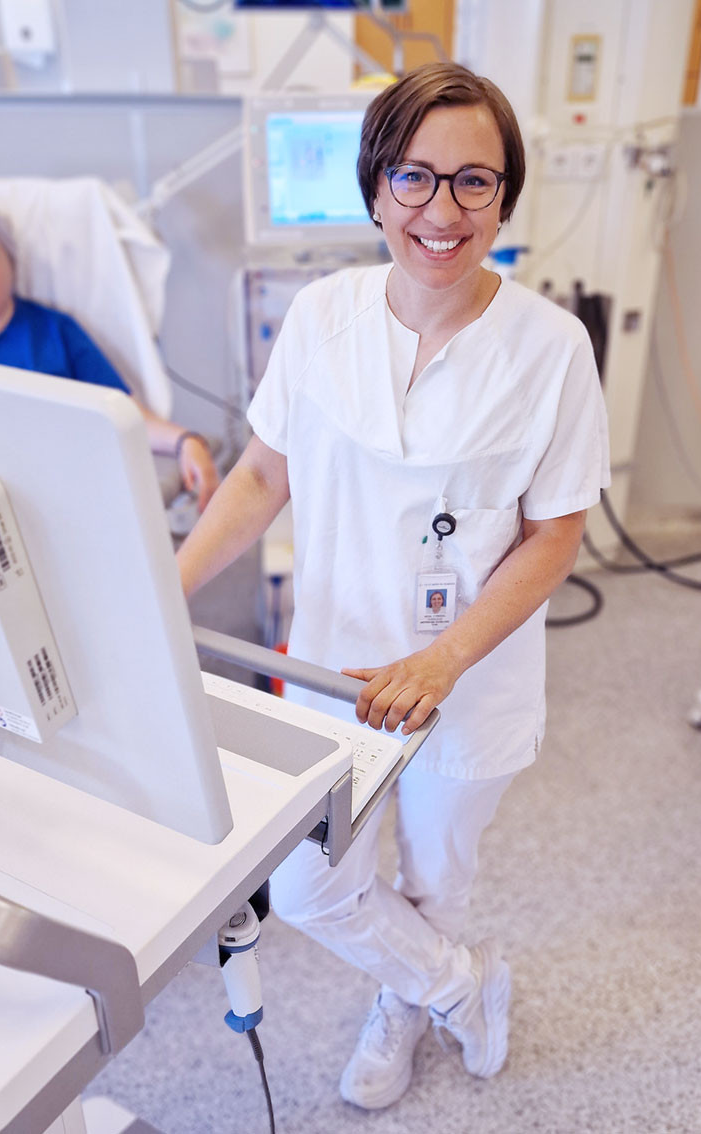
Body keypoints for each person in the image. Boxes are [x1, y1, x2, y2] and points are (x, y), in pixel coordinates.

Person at [177, 62, 610, 1110]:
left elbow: (556, 536)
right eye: (415, 178)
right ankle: (454, 984)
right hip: (333, 665)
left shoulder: (551, 349)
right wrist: (159, 593)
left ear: (505, 196)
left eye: (474, 181)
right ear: (374, 189)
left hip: (471, 679)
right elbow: (260, 476)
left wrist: (443, 660)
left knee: (434, 879)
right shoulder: (321, 318)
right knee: (309, 884)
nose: (442, 210)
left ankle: (401, 1008)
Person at [0, 200, 218, 513]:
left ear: (9, 259)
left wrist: (185, 441)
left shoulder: (55, 331)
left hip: (55, 494)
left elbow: (121, 413)